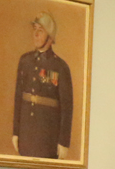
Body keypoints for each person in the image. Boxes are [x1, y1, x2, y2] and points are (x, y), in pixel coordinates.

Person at [9, 12, 74, 160]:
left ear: (50, 36)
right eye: (35, 29)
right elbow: (18, 99)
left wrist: (64, 141)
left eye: (41, 30)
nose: (36, 34)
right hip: (26, 133)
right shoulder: (25, 61)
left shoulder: (60, 67)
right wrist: (16, 132)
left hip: (48, 136)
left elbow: (67, 107)